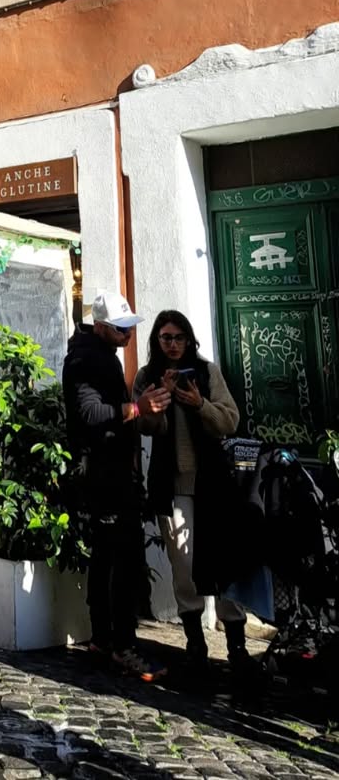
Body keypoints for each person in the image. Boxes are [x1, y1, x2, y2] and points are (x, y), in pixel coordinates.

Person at [133, 310, 251, 672]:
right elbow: (149, 427)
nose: (172, 344)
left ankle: (236, 646)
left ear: (189, 339)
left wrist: (198, 404)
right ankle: (195, 642)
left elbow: (230, 420)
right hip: (174, 484)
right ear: (156, 340)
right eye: (165, 337)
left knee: (224, 559)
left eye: (178, 337)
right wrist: (160, 401)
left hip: (214, 481)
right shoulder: (147, 377)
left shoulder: (207, 372)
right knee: (183, 563)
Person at [63, 289, 170, 680]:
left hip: (107, 473)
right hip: (104, 476)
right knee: (122, 559)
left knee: (107, 556)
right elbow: (90, 413)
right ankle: (122, 645)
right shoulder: (87, 359)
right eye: (122, 328)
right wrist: (139, 407)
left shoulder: (96, 354)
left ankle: (103, 640)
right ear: (103, 326)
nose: (128, 334)